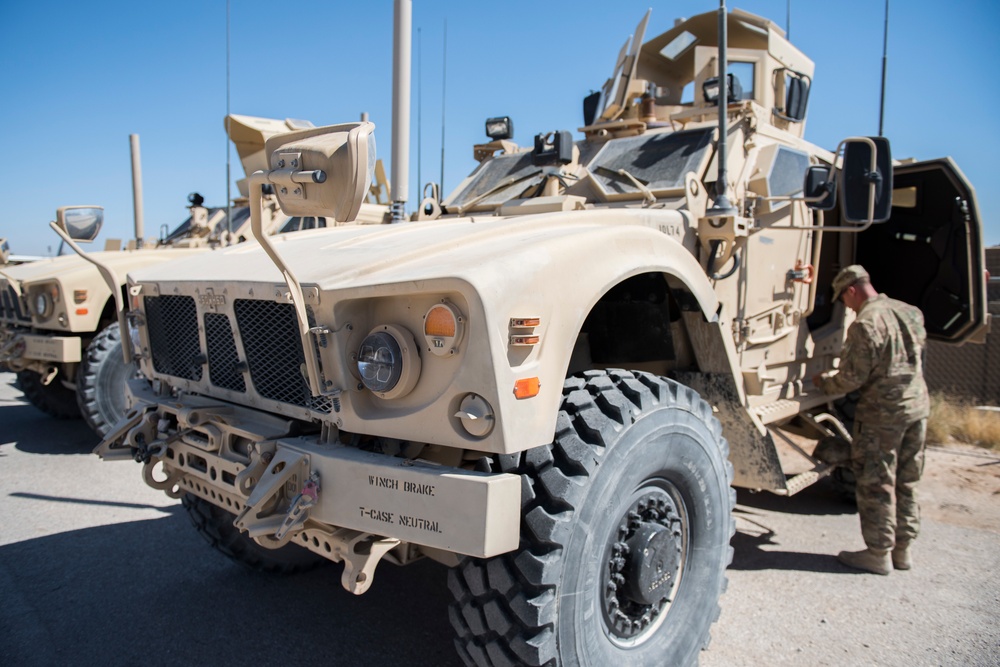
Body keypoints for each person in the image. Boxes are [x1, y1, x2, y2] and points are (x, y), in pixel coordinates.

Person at [812, 265, 929, 575]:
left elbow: (852, 378)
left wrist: (824, 382)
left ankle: (878, 553)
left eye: (843, 299)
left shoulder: (865, 324)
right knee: (907, 479)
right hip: (917, 408)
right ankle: (902, 551)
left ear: (852, 290)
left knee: (877, 482)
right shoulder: (910, 312)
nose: (845, 306)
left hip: (882, 416)